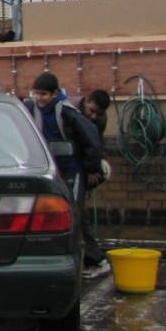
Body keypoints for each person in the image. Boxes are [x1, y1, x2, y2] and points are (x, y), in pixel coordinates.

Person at [24, 72, 109, 278]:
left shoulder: (67, 111)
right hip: (49, 171)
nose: (40, 98)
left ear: (54, 94)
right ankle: (80, 257)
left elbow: (92, 139)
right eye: (37, 93)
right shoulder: (29, 107)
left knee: (74, 213)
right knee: (56, 214)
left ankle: (95, 260)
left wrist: (91, 168)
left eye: (43, 94)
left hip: (72, 170)